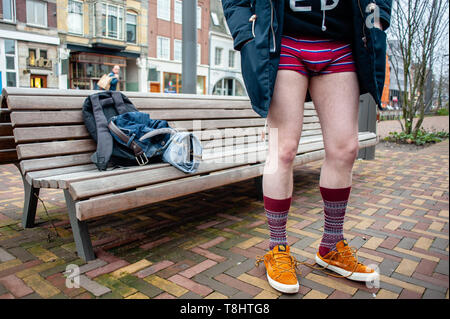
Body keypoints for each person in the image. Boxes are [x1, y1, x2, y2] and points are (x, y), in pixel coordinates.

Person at [223, 0, 392, 294]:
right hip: (283, 40)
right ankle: (277, 248)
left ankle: (331, 246)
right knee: (283, 149)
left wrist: (378, 18)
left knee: (346, 149)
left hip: (341, 43)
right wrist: (245, 32)